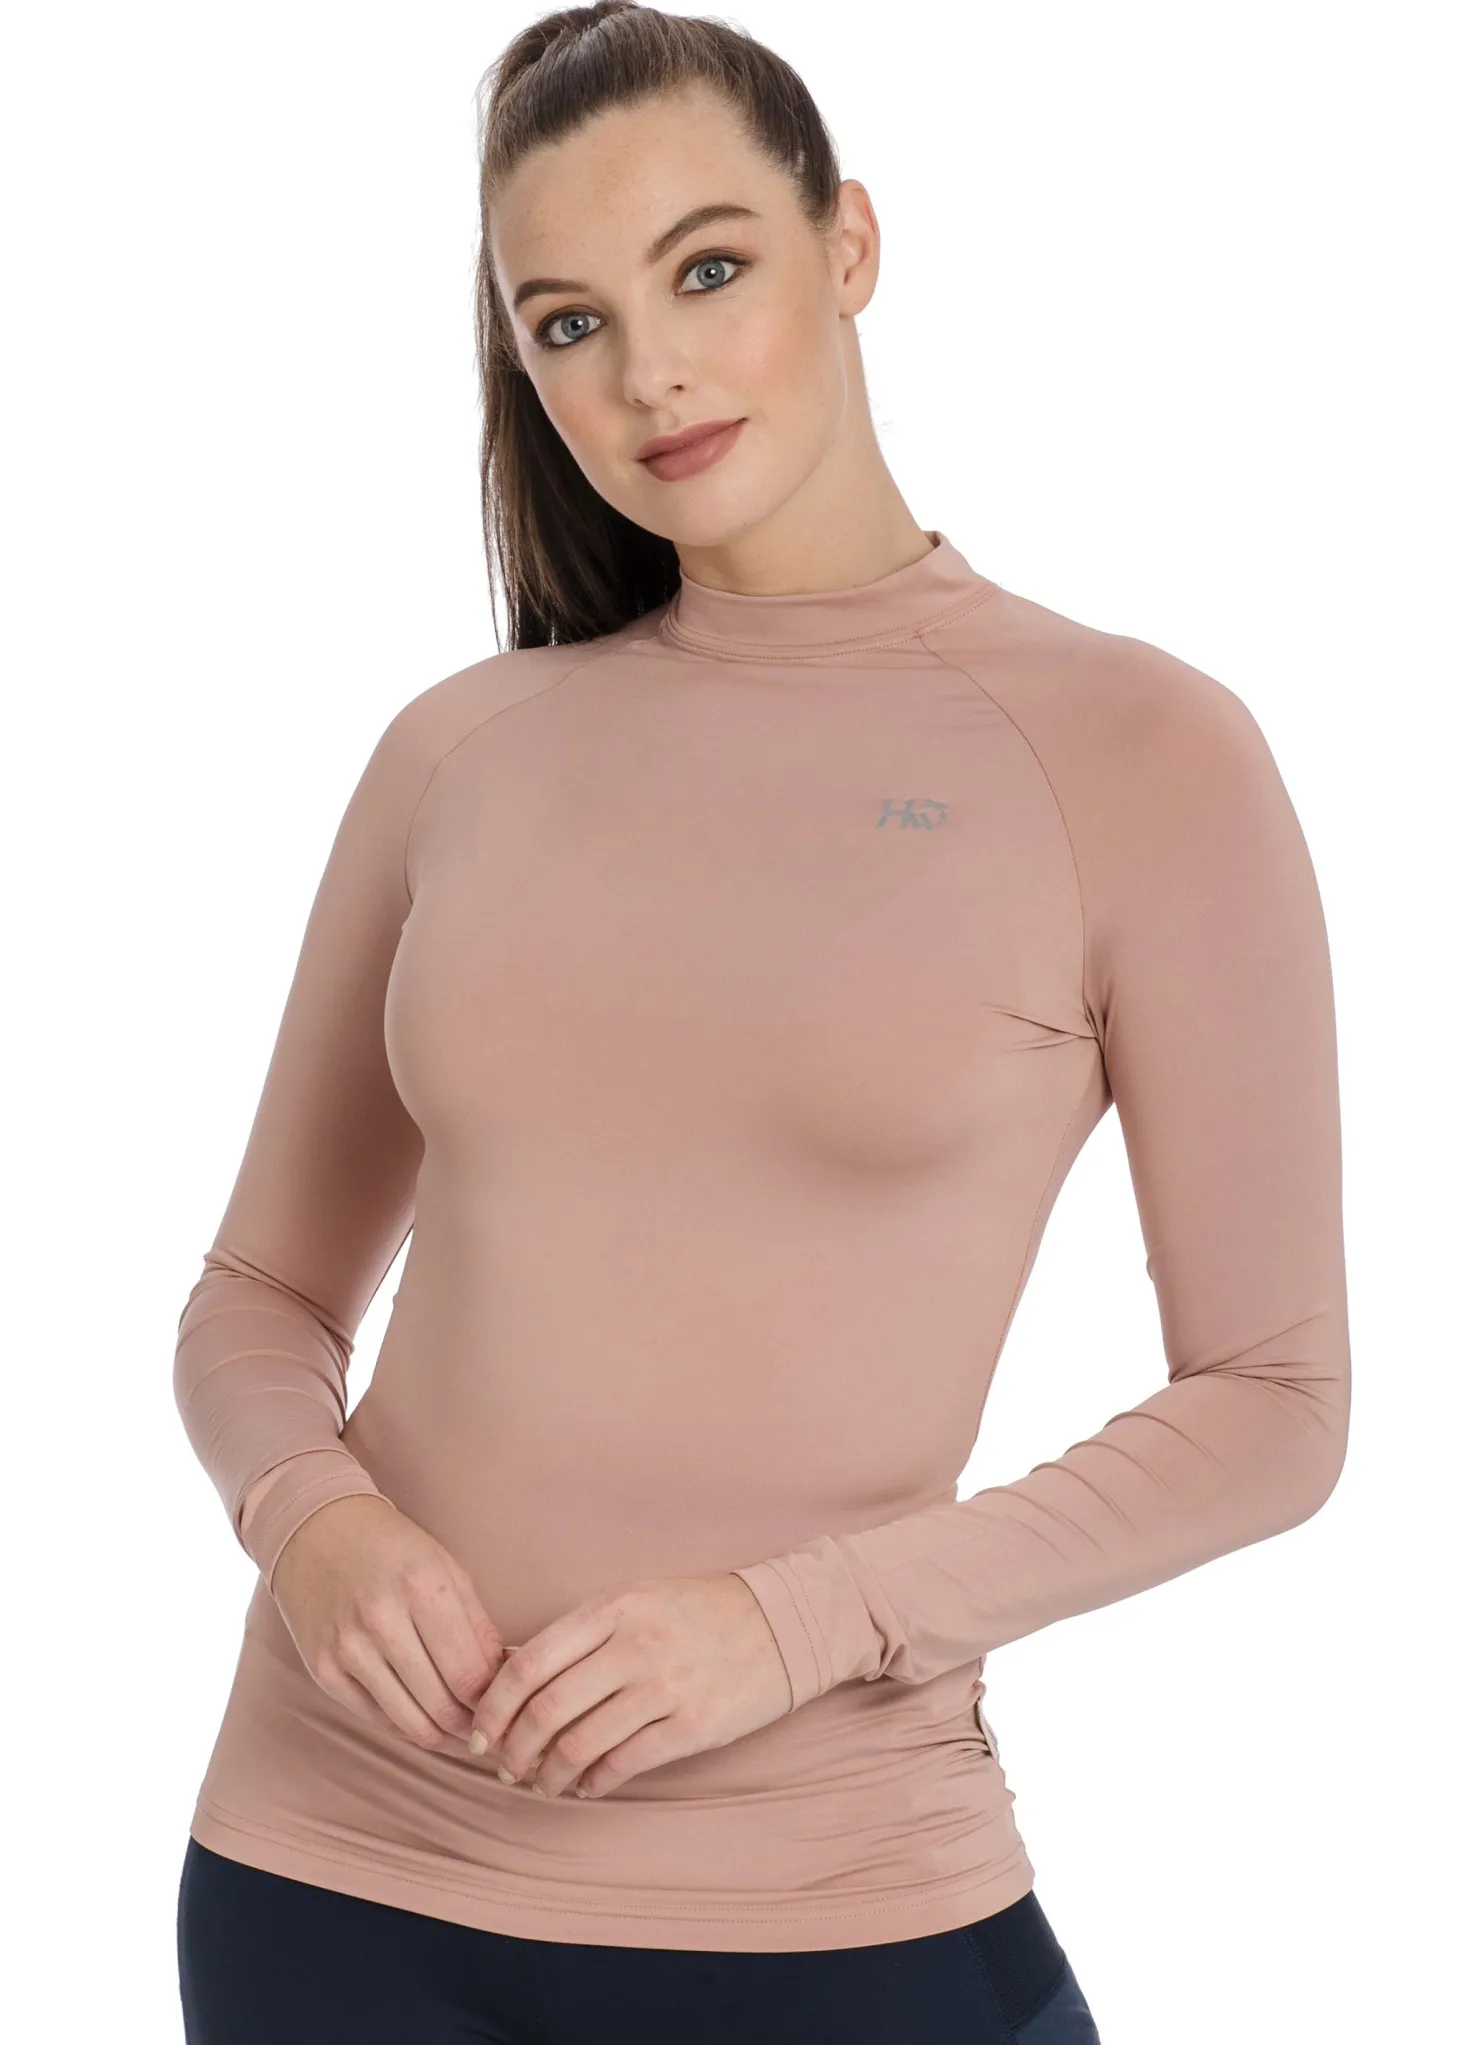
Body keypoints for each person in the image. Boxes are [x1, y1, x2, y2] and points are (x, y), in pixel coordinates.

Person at [172, 4, 1350, 2040]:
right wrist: (317, 1523)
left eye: (707, 269)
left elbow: (1272, 1403)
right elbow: (258, 1295)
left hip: (836, 1900)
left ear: (850, 243)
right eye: (568, 322)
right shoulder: (461, 750)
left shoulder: (1140, 752)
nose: (650, 372)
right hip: (324, 1880)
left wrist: (794, 1623)